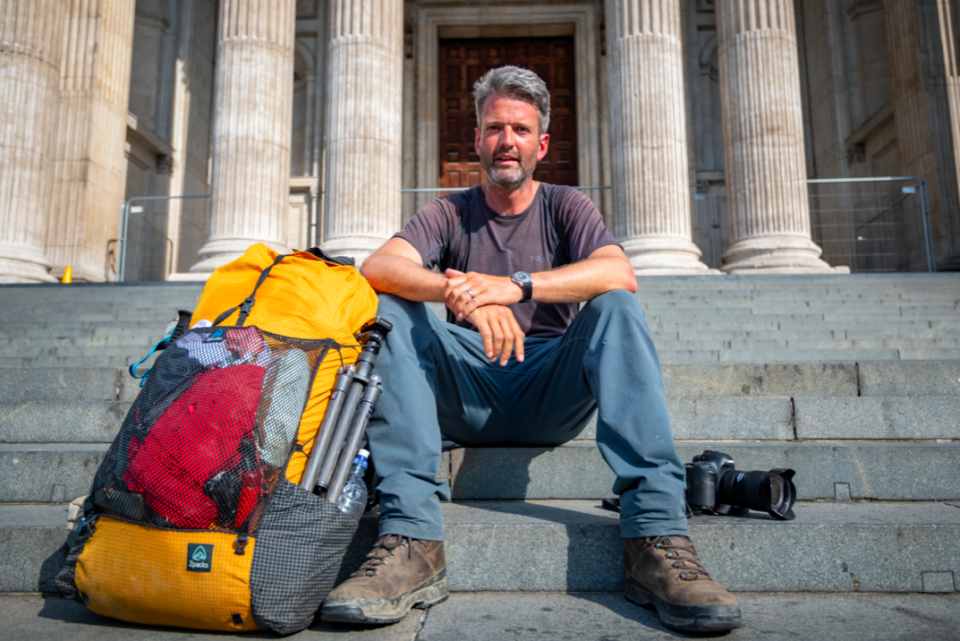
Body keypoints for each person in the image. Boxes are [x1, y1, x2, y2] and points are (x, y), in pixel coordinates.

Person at [320, 65, 741, 633]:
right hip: (466, 390)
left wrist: (514, 286)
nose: (507, 141)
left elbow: (619, 272)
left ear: (541, 144)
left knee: (615, 304)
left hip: (549, 388)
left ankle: (656, 539)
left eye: (520, 129)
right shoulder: (450, 211)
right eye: (495, 128)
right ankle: (412, 540)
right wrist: (461, 293)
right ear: (477, 139)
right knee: (391, 307)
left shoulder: (567, 205)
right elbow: (378, 266)